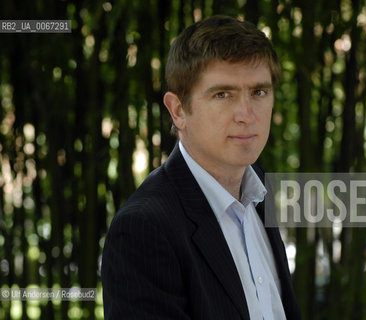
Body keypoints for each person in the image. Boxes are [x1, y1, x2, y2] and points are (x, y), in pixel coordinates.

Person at [101, 15, 301, 320]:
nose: (246, 114)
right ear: (178, 110)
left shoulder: (259, 189)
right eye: (223, 95)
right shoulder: (144, 229)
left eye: (259, 92)